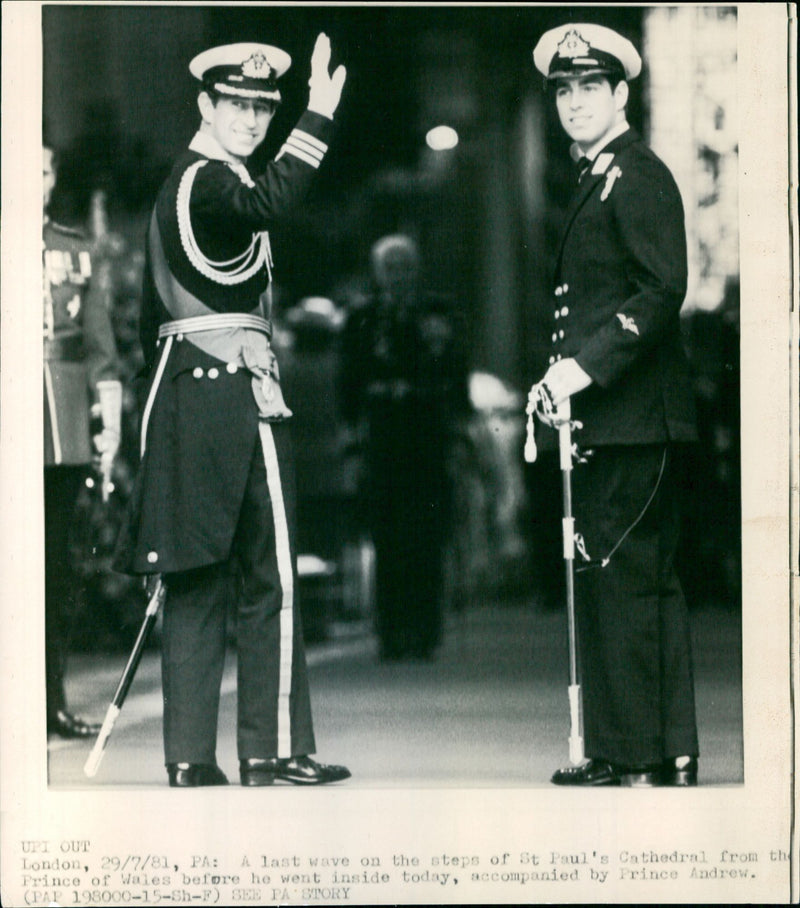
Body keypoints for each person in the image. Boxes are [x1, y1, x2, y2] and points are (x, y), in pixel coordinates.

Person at [113, 35, 350, 787]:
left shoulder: (183, 184)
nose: (250, 120)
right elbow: (267, 202)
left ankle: (187, 757)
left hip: (183, 395)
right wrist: (316, 117)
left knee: (193, 578)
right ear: (204, 105)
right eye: (237, 105)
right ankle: (270, 748)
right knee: (266, 574)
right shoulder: (210, 183)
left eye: (262, 108)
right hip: (237, 394)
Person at [529, 23, 699, 786]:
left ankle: (632, 753)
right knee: (631, 579)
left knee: (624, 578)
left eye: (589, 88)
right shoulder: (602, 176)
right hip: (617, 415)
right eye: (564, 91)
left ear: (621, 93)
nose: (574, 103)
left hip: (632, 416)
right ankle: (662, 749)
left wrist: (582, 370)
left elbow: (661, 290)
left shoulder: (635, 175)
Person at [340, 235, 469, 661]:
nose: (397, 276)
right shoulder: (362, 317)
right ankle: (391, 633)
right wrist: (351, 444)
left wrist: (458, 433)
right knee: (388, 534)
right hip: (383, 433)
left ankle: (425, 631)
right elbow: (347, 384)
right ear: (378, 273)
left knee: (427, 535)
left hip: (426, 430)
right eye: (389, 268)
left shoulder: (438, 313)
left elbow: (456, 373)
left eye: (404, 267)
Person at [43, 144, 123, 738]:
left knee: (56, 566)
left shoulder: (74, 250)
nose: (36, 182)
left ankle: (48, 699)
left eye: (44, 171)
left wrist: (110, 420)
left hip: (62, 423)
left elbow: (99, 347)